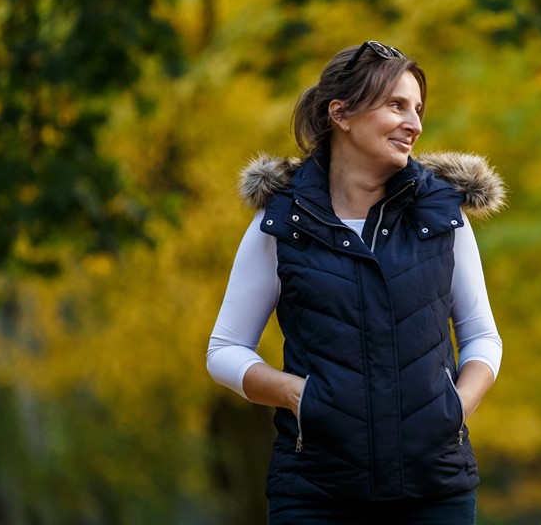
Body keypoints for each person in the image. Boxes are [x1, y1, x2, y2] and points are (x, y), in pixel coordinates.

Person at [207, 40, 506, 524]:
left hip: (435, 493)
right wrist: (295, 395)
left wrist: (456, 407)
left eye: (418, 109)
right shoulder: (283, 221)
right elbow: (224, 349)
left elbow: (482, 337)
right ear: (341, 114)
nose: (415, 123)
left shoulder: (442, 217)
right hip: (315, 494)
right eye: (396, 105)